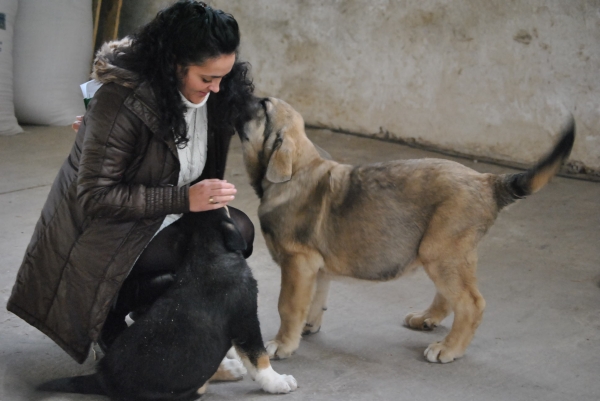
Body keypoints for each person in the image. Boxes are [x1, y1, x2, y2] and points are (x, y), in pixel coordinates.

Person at [7, 0, 256, 364]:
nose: (217, 88)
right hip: (102, 231)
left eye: (224, 76)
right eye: (207, 78)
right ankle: (112, 314)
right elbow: (96, 197)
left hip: (159, 211)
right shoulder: (120, 99)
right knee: (204, 246)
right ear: (173, 63)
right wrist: (185, 200)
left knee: (237, 232)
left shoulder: (214, 96)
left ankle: (159, 314)